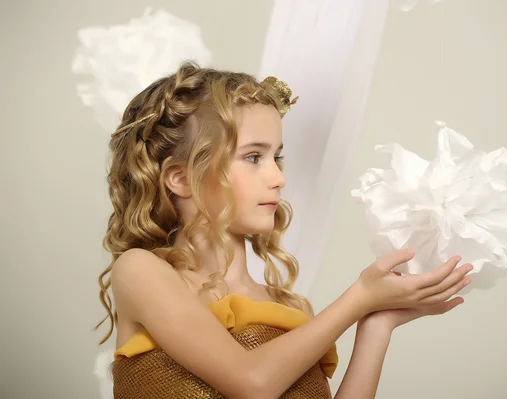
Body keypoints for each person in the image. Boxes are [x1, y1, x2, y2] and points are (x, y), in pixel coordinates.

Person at [96, 61, 473, 399]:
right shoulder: (141, 271)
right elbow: (251, 383)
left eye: (276, 156)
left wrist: (376, 323)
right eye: (253, 157)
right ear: (180, 178)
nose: (278, 177)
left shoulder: (288, 308)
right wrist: (359, 297)